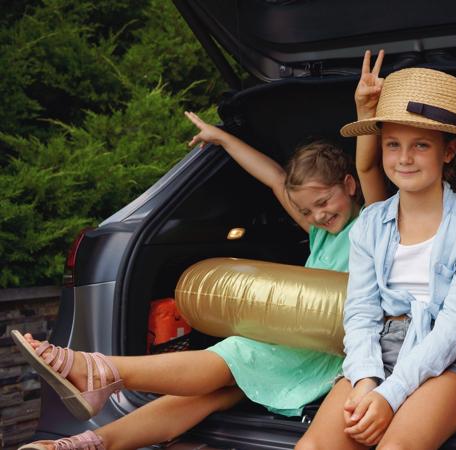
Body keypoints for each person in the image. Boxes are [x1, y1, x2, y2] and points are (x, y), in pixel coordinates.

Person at [13, 50, 391, 450]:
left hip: (331, 351)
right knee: (202, 394)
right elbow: (274, 178)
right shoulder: (319, 232)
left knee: (235, 353)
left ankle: (96, 369)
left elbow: (369, 167)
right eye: (307, 210)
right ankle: (88, 443)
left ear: (349, 186)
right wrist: (224, 138)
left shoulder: (373, 223)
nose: (317, 215)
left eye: (325, 202)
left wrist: (365, 110)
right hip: (292, 347)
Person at [298, 67, 456, 450]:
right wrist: (366, 381)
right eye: (392, 144)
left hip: (451, 356)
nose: (404, 158)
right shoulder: (369, 224)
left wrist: (390, 396)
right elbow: (359, 313)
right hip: (379, 347)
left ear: (449, 150)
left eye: (421, 145)